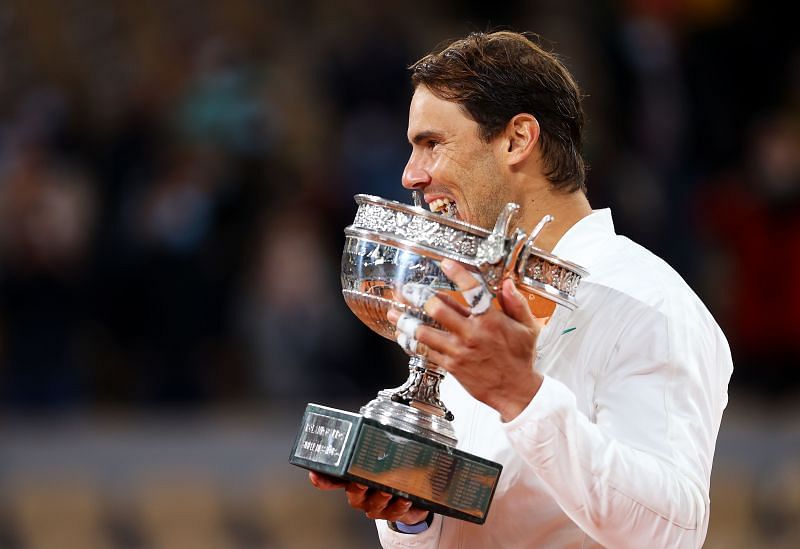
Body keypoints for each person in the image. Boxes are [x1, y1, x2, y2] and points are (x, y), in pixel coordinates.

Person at [309, 31, 732, 548]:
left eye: (432, 144)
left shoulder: (650, 303)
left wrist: (521, 395)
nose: (410, 175)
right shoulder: (473, 299)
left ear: (517, 140)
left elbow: (672, 530)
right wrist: (412, 514)